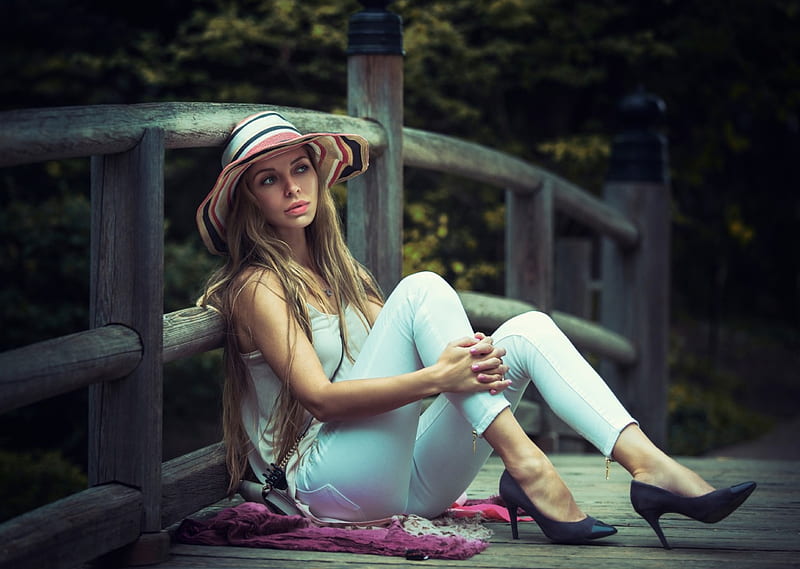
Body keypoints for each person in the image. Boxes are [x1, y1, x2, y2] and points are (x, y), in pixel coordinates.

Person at [196, 111, 755, 548]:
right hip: (324, 485)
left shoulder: (345, 274)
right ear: (248, 200)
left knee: (526, 332)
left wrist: (465, 365)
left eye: (300, 168)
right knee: (423, 289)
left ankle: (651, 467)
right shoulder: (256, 287)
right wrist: (439, 377)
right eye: (270, 180)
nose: (294, 188)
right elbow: (320, 400)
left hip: (403, 483)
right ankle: (529, 465)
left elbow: (412, 362)